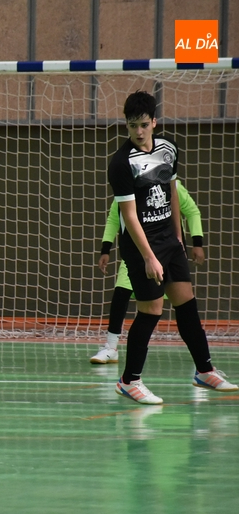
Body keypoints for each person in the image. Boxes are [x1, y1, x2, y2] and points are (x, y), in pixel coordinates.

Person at [106, 90, 236, 404]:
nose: (138, 131)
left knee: (186, 302)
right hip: (141, 246)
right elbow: (129, 216)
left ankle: (204, 371)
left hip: (169, 239)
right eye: (132, 125)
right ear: (127, 126)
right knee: (151, 309)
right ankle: (129, 380)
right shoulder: (122, 164)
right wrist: (150, 257)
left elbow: (173, 191)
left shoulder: (168, 149)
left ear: (154, 122)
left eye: (143, 125)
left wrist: (178, 236)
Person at [92, 179, 205, 364]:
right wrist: (105, 249)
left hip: (167, 251)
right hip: (138, 254)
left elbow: (192, 211)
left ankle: (201, 362)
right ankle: (111, 347)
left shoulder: (172, 185)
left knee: (183, 306)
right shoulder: (127, 186)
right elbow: (114, 217)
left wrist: (197, 243)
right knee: (121, 294)